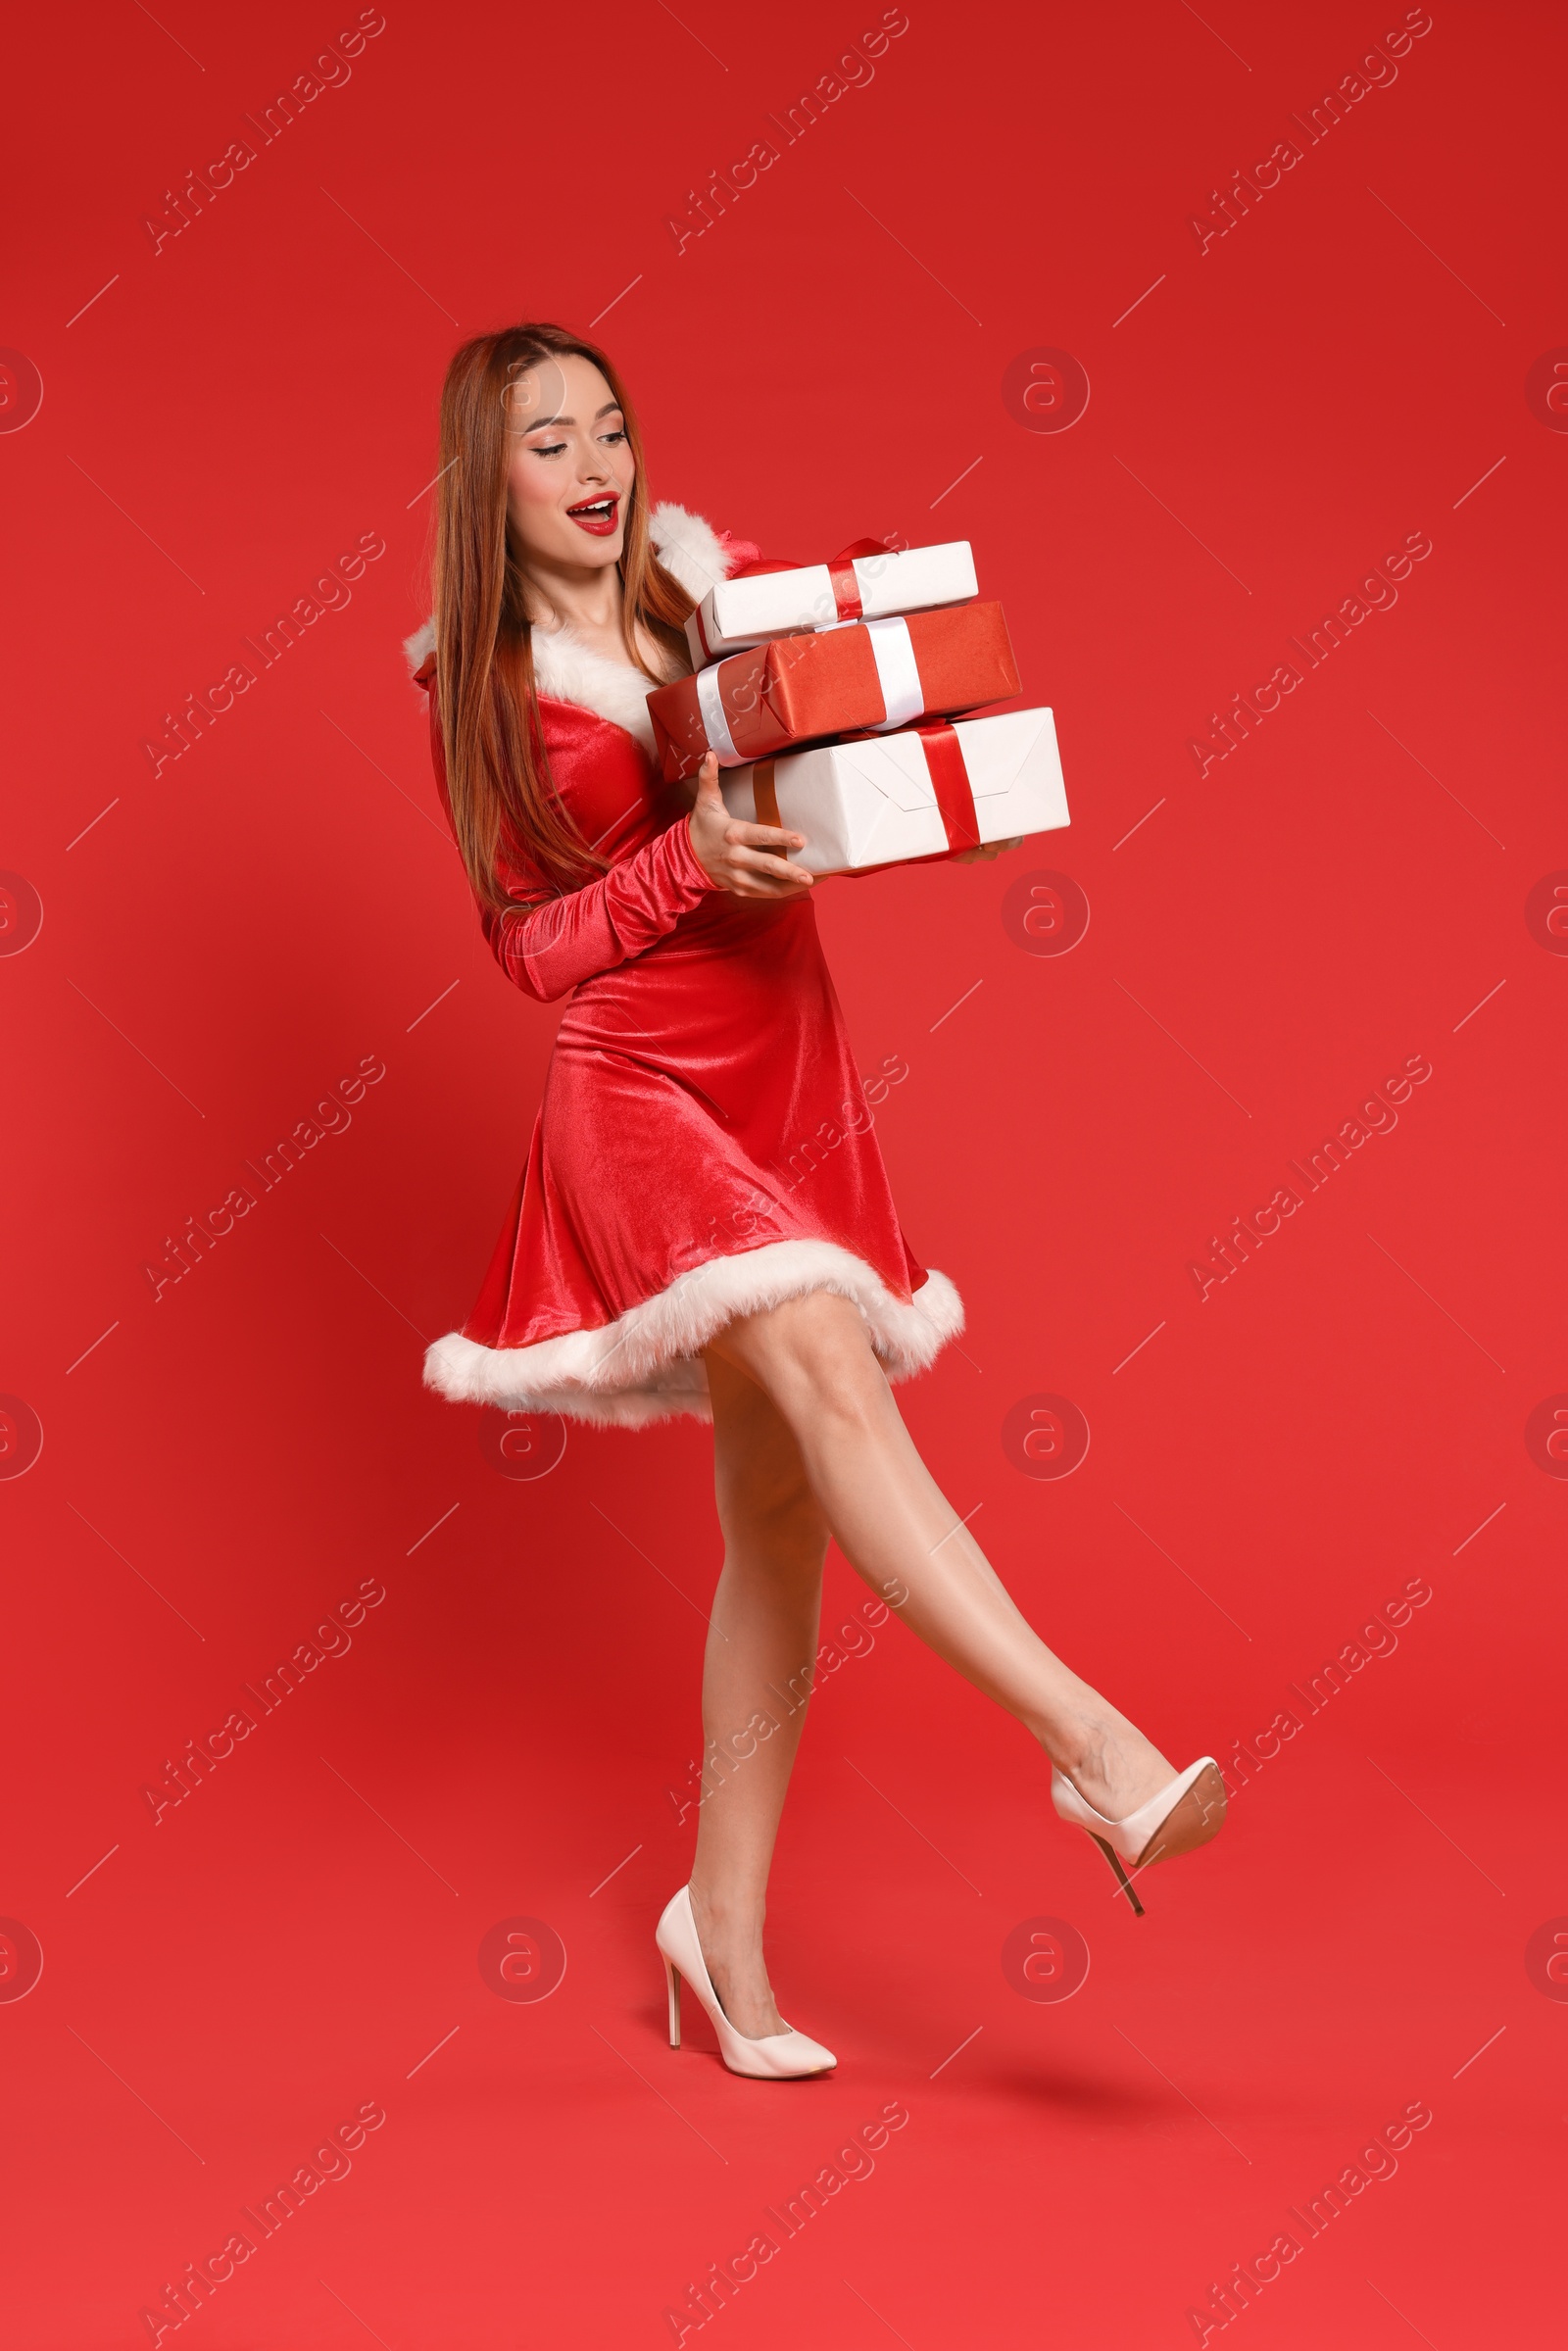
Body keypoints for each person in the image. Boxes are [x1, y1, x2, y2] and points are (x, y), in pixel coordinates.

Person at [407, 321, 1225, 2081]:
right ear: (489, 484)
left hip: (792, 1083)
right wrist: (680, 867)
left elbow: (852, 745)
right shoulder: (481, 688)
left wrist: (951, 796)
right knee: (832, 1376)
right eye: (547, 442)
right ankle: (1095, 1751)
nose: (593, 464)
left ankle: (718, 1931)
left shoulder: (718, 603)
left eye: (611, 427)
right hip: (639, 1096)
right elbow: (526, 948)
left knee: (776, 1534)